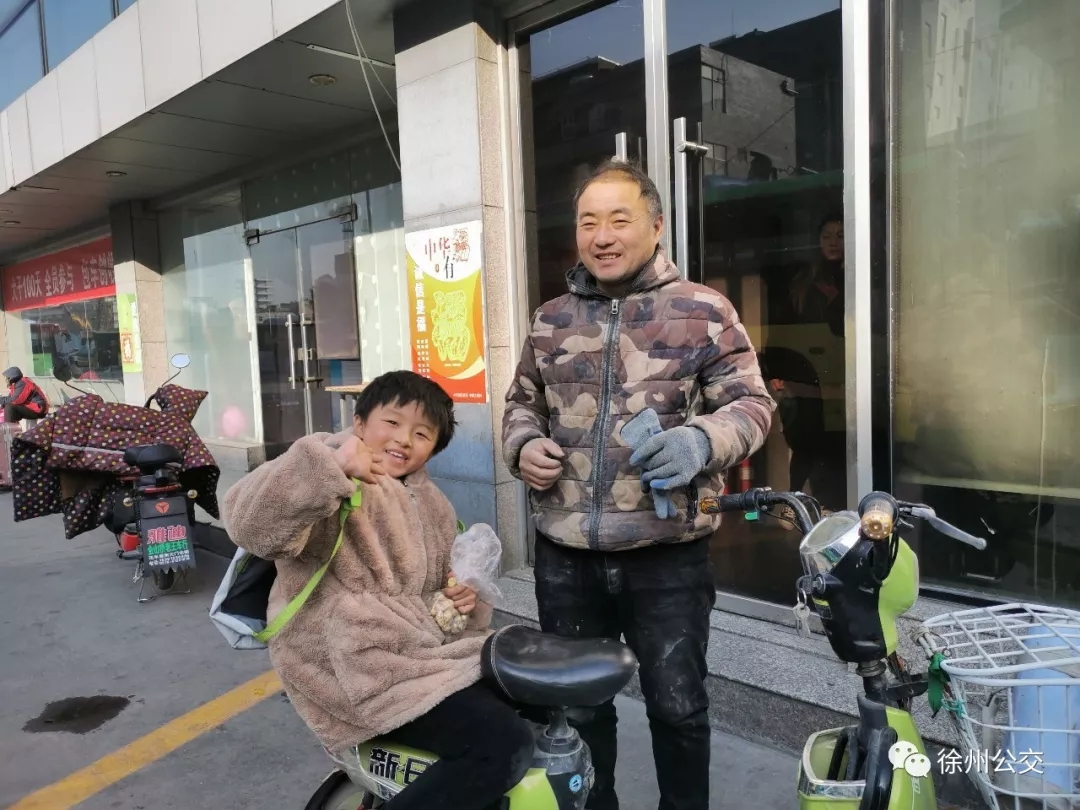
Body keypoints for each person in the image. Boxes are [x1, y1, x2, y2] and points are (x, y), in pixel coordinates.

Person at [502, 159, 776, 810]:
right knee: (578, 712)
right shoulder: (550, 319)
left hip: (667, 556)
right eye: (587, 222)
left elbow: (753, 405)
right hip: (566, 556)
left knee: (678, 707)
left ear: (655, 226)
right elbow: (521, 403)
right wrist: (523, 445)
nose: (602, 236)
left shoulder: (704, 312)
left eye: (618, 219)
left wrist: (701, 440)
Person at [223, 370, 533, 810]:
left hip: (422, 658)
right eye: (392, 422)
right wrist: (330, 469)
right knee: (501, 744)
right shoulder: (328, 466)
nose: (404, 439)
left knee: (535, 703)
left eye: (422, 433)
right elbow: (252, 527)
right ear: (360, 422)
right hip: (352, 668)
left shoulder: (436, 504)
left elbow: (438, 591)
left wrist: (462, 599)